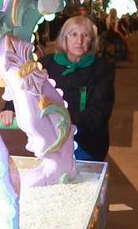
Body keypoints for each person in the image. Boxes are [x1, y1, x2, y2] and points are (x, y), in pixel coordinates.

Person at [38, 16, 115, 162]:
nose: (79, 41)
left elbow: (100, 110)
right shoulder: (46, 64)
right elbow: (27, 87)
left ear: (91, 40)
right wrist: (9, 108)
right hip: (51, 140)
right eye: (74, 34)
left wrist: (66, 123)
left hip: (87, 143)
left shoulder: (101, 68)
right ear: (64, 38)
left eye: (85, 35)